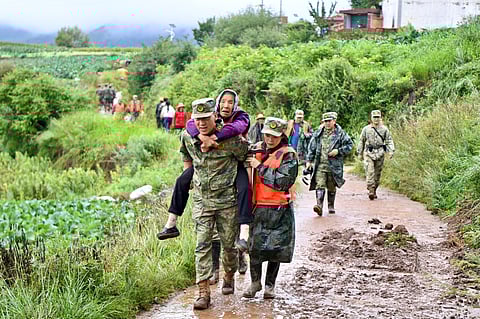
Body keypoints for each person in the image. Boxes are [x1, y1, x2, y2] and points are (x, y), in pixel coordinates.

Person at [179, 98, 248, 310]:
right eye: (197, 119)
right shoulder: (188, 137)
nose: (201, 123)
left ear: (214, 117)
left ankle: (229, 275)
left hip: (227, 202)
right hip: (202, 201)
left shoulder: (232, 139)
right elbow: (185, 155)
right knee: (202, 246)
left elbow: (243, 157)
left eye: (205, 118)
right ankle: (203, 292)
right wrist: (188, 177)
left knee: (229, 246)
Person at [242, 117, 298, 300]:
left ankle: (269, 286)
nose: (269, 139)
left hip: (280, 210)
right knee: (255, 248)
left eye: (274, 136)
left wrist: (260, 167)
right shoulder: (255, 148)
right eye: (267, 135)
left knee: (276, 249)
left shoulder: (288, 154)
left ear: (281, 135)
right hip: (258, 207)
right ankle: (255, 282)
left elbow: (282, 181)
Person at [306, 112, 353, 216]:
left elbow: (349, 145)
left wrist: (338, 151)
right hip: (320, 165)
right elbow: (311, 147)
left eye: (329, 121)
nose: (327, 123)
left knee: (331, 186)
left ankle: (331, 205)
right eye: (325, 121)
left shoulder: (341, 134)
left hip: (334, 166)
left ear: (334, 121)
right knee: (320, 184)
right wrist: (309, 161)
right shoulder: (318, 133)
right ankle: (319, 206)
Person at [357, 110, 395, 200]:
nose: (376, 119)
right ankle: (371, 189)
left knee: (377, 174)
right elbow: (361, 140)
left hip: (380, 152)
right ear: (371, 118)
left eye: (378, 117)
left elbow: (389, 140)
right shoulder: (366, 129)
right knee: (370, 171)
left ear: (380, 118)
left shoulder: (384, 129)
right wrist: (360, 153)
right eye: (374, 117)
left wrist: (391, 151)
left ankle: (374, 190)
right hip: (369, 152)